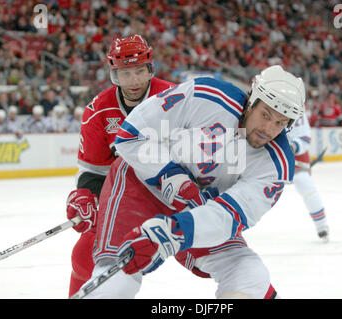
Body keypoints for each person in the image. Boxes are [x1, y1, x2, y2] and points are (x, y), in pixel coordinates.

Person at [74, 65, 305, 299]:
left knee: (250, 276)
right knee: (117, 278)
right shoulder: (205, 95)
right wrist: (168, 174)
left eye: (279, 123)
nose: (268, 129)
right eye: (265, 115)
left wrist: (176, 231)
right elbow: (130, 136)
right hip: (141, 187)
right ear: (251, 101)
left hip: (199, 210)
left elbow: (228, 216)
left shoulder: (276, 165)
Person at [65, 34, 175, 297]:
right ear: (114, 73)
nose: (134, 81)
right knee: (85, 254)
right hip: (128, 197)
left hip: (176, 193)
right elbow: (93, 169)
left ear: (150, 68)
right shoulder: (99, 110)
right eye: (125, 74)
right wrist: (86, 195)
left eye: (139, 71)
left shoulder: (174, 98)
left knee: (220, 254)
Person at [288, 112, 329, 242]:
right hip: (265, 150)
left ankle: (321, 226)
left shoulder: (297, 107)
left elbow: (303, 138)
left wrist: (292, 147)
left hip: (292, 152)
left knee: (303, 182)